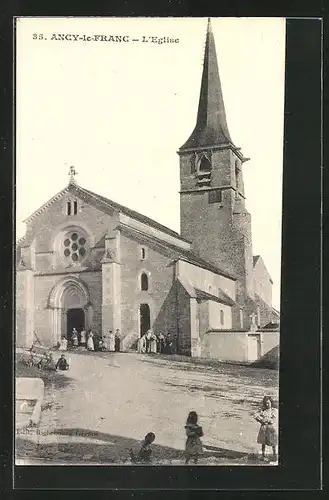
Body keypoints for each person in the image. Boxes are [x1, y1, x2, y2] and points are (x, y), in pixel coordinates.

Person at [254, 396, 278, 462]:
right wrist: (261, 420)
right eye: (266, 403)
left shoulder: (274, 410)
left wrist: (269, 420)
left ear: (271, 403)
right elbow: (255, 415)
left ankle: (275, 455)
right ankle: (263, 455)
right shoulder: (263, 410)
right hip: (264, 428)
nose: (267, 405)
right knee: (263, 442)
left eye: (268, 403)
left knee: (273, 443)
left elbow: (273, 420)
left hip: (271, 429)